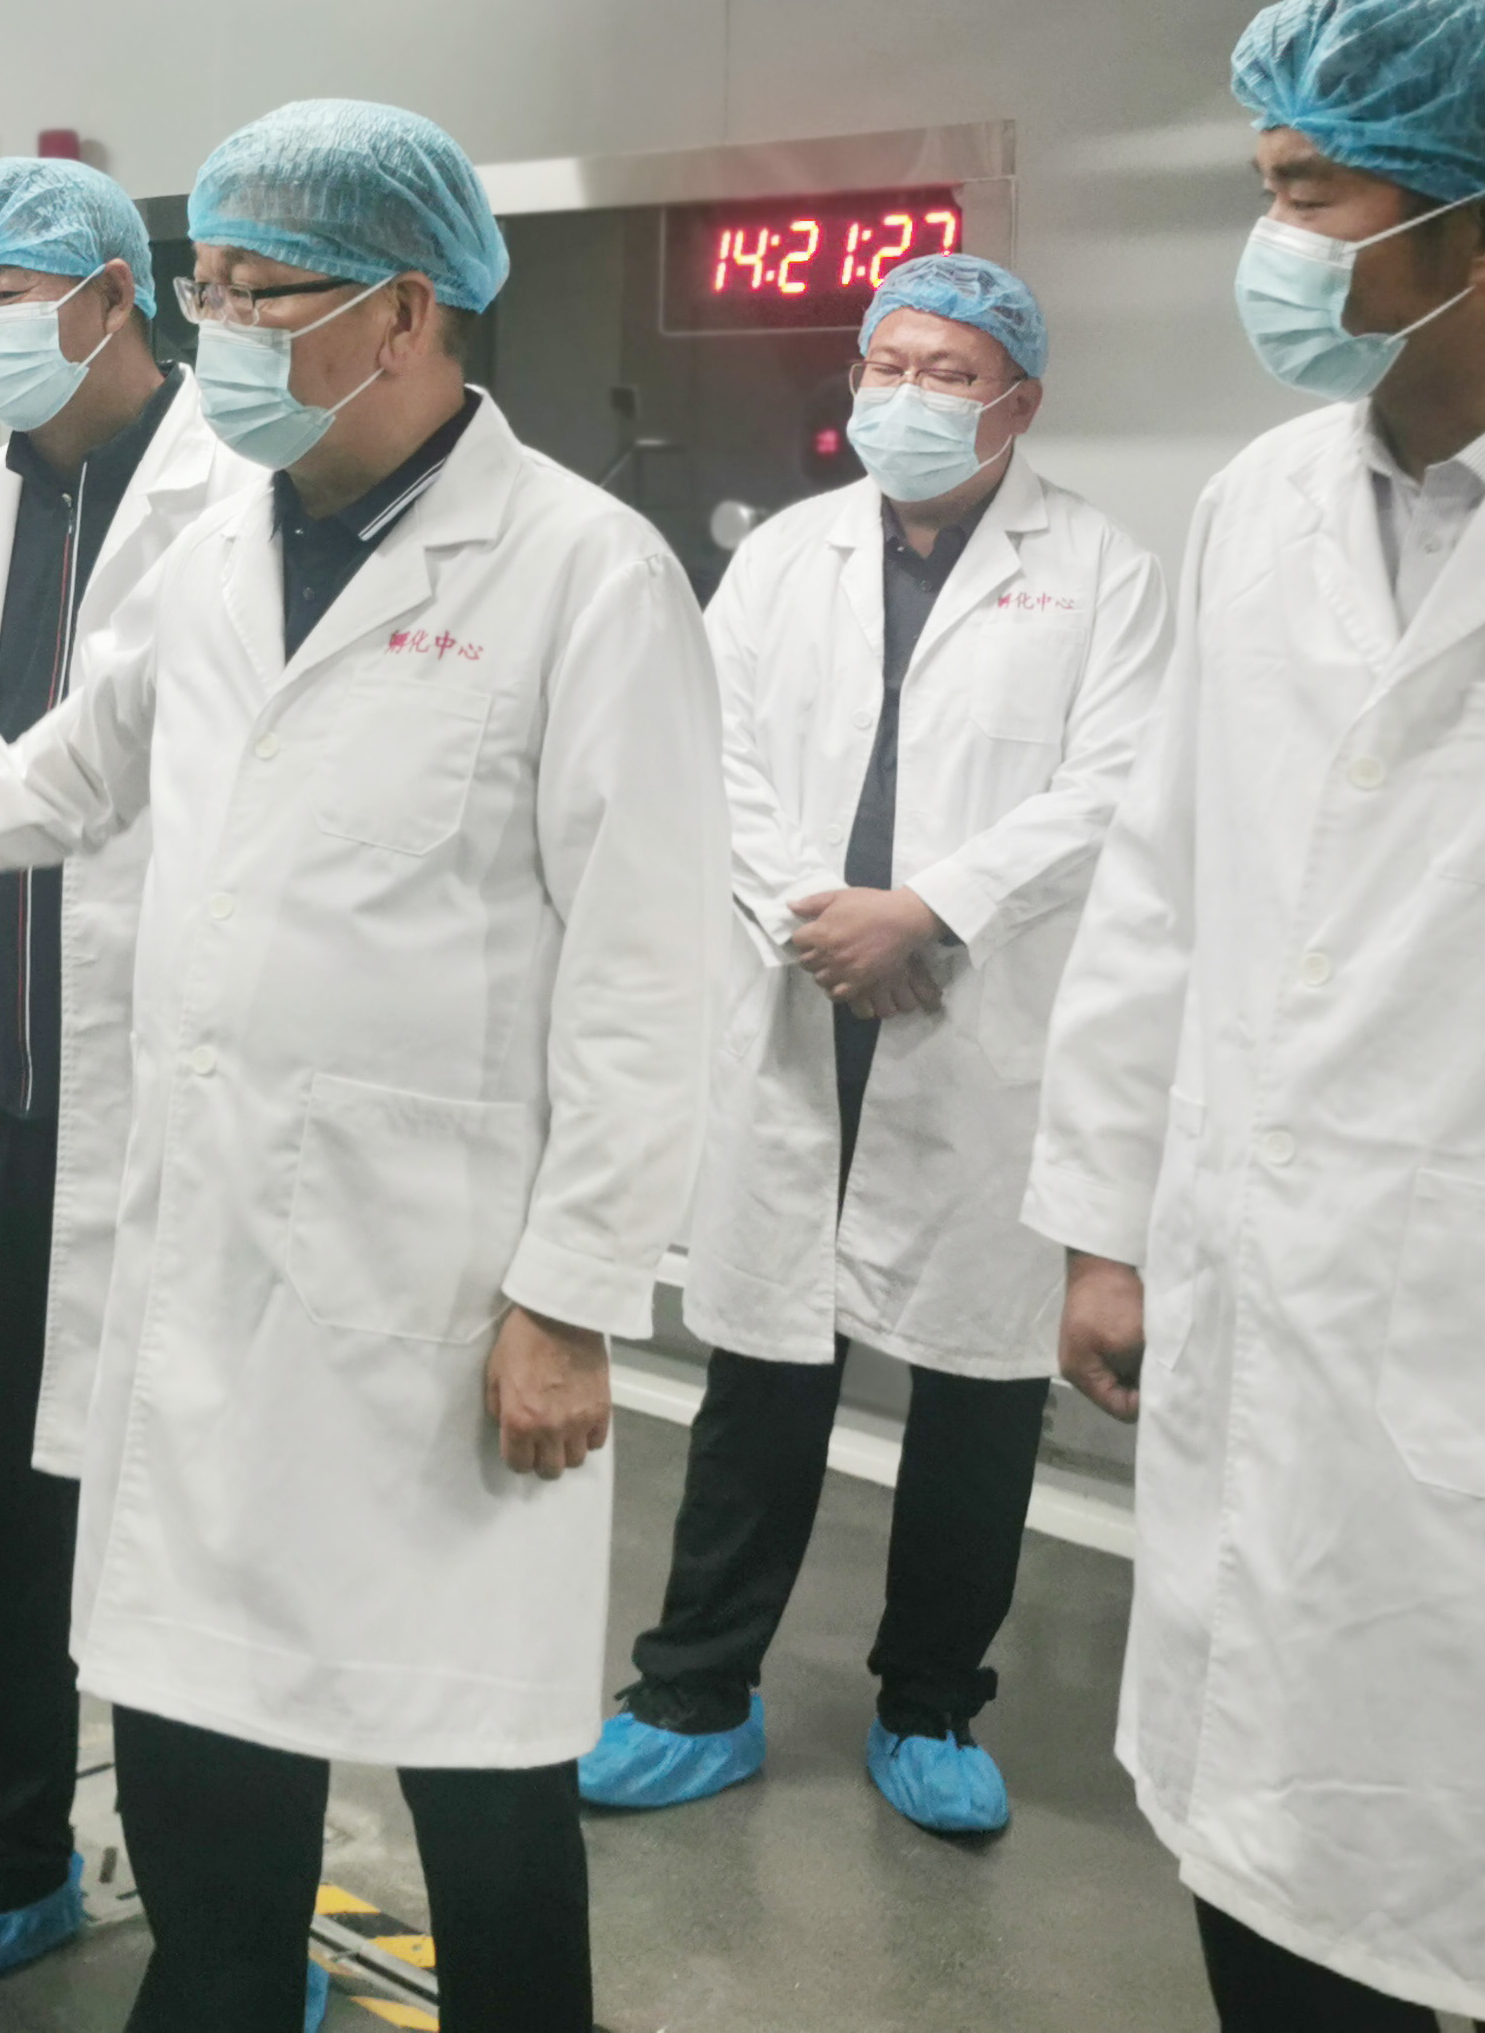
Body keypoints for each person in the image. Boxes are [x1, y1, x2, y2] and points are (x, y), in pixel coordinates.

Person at [0, 100, 728, 2033]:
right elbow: (80, 756)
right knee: (196, 1739)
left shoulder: (581, 574)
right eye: (208, 289)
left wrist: (572, 1295)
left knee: (474, 1779)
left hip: (439, 1290)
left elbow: (652, 973)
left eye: (260, 294)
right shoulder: (220, 550)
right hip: (207, 1256)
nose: (219, 329)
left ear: (404, 311)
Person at [1029, 0, 1485, 2033]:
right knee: (1269, 1870)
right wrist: (1104, 1228)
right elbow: (1162, 881)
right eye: (1267, 185)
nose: (1271, 238)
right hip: (1261, 1327)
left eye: (1314, 192)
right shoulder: (1260, 505)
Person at [581, 253, 1166, 1837]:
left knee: (979, 1398)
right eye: (885, 365)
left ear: (1019, 404)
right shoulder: (785, 555)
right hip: (805, 1002)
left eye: (947, 373)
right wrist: (820, 921)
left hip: (975, 1020)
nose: (905, 395)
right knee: (763, 1380)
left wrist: (929, 912)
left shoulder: (1104, 572)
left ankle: (932, 1706)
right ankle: (697, 1693)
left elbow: (1116, 784)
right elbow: (714, 751)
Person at [0, 159, 259, 2001]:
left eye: (3, 289)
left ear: (113, 292)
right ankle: (7, 1862)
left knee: (182, 1530)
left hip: (166, 1089)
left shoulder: (237, 490)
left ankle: (232, 1920)